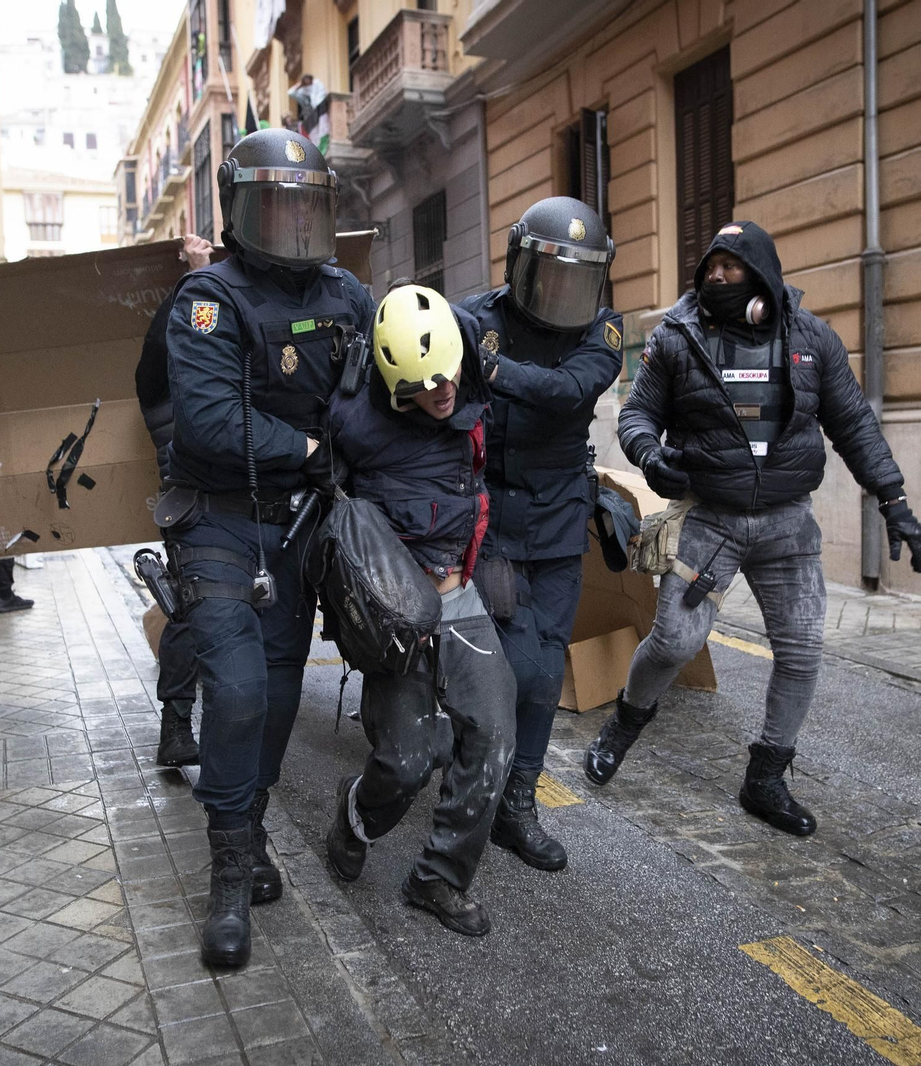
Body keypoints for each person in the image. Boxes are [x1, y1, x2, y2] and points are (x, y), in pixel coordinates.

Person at [585, 220, 921, 838]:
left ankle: (765, 778)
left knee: (802, 651)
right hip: (709, 518)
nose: (716, 276)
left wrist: (893, 498)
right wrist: (650, 456)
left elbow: (854, 422)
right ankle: (624, 724)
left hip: (786, 525)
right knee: (674, 642)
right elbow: (637, 414)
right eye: (710, 267)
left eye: (731, 266)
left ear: (762, 272)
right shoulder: (676, 338)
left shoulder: (812, 339)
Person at [160, 128, 375, 968]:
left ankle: (250, 831)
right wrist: (313, 449)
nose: (292, 224)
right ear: (241, 210)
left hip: (301, 528)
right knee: (240, 691)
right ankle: (226, 874)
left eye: (303, 206)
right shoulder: (207, 299)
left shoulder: (347, 295)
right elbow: (210, 421)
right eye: (275, 207)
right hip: (219, 519)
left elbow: (380, 390)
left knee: (282, 690)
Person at [323, 285, 514, 936]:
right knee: (407, 761)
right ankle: (355, 816)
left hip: (459, 592)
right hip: (396, 610)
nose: (442, 390)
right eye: (424, 385)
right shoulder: (353, 420)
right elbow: (334, 518)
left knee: (493, 734)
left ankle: (438, 878)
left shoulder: (468, 361)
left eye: (448, 374)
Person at [458, 196, 622, 873]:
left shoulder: (602, 331)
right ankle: (477, 776)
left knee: (546, 666)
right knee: (512, 664)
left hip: (557, 519)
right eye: (551, 274)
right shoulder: (476, 318)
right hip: (491, 517)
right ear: (520, 265)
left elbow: (569, 391)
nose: (561, 291)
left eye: (576, 279)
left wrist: (493, 371)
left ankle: (517, 804)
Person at [135, 233, 214, 768]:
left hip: (240, 499)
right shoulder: (162, 381)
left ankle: (189, 727)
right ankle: (176, 727)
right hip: (192, 503)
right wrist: (197, 276)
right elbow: (179, 332)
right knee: (188, 608)